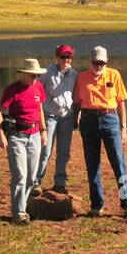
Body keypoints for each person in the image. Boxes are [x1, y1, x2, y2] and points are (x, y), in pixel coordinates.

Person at [71, 45, 127, 217]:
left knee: (119, 162)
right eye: (96, 62)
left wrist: (123, 127)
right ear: (90, 61)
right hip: (89, 120)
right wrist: (76, 117)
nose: (99, 66)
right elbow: (77, 102)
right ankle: (96, 205)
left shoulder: (114, 75)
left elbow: (121, 102)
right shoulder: (81, 77)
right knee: (92, 164)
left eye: (102, 63)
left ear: (106, 62)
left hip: (110, 119)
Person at [0, 58, 49, 225]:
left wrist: (43, 130)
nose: (35, 79)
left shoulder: (38, 87)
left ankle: (22, 208)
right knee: (20, 176)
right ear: (24, 74)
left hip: (34, 136)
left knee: (32, 178)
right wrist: (1, 135)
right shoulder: (12, 90)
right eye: (33, 75)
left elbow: (40, 109)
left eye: (37, 76)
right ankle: (19, 213)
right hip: (17, 136)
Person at [32, 44, 77, 195]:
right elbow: (36, 91)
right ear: (57, 57)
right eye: (64, 57)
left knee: (64, 152)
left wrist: (78, 114)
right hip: (49, 116)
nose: (67, 60)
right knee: (45, 150)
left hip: (67, 117)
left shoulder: (74, 74)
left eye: (69, 57)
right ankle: (36, 182)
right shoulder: (46, 73)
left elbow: (77, 96)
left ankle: (60, 183)